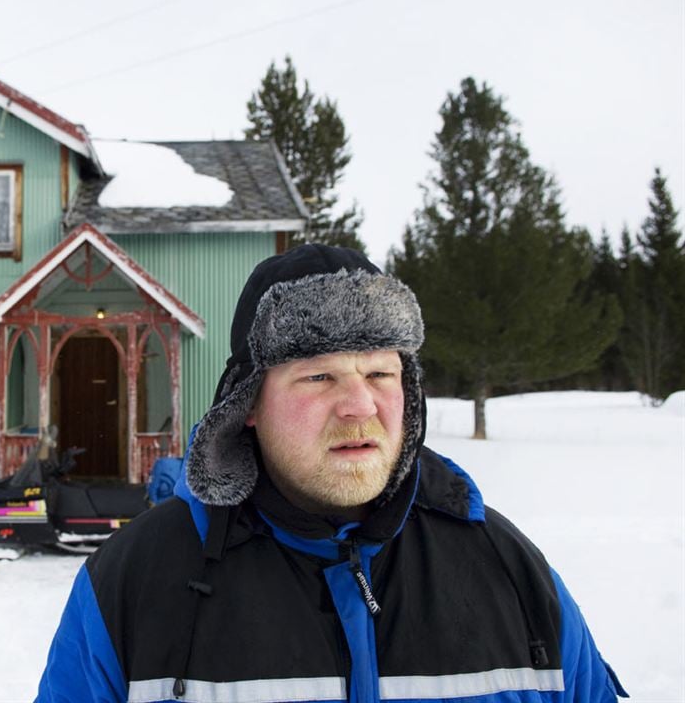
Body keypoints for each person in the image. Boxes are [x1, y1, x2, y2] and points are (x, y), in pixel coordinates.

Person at [36, 245, 627, 703]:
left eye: (379, 374)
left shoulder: (511, 570)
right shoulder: (133, 582)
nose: (359, 406)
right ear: (248, 407)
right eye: (318, 377)